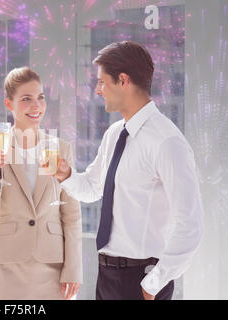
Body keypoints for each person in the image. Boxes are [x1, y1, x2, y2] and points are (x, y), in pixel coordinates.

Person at [55, 41, 204, 300]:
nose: (97, 90)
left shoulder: (166, 142)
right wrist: (66, 175)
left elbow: (190, 224)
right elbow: (92, 188)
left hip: (140, 280)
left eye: (102, 82)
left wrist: (153, 284)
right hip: (106, 276)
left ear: (123, 80)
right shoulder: (115, 134)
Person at [0, 67, 82, 300]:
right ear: (9, 104)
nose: (36, 106)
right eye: (26, 99)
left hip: (52, 266)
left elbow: (71, 214)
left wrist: (73, 269)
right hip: (6, 266)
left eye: (40, 97)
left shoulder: (61, 148)